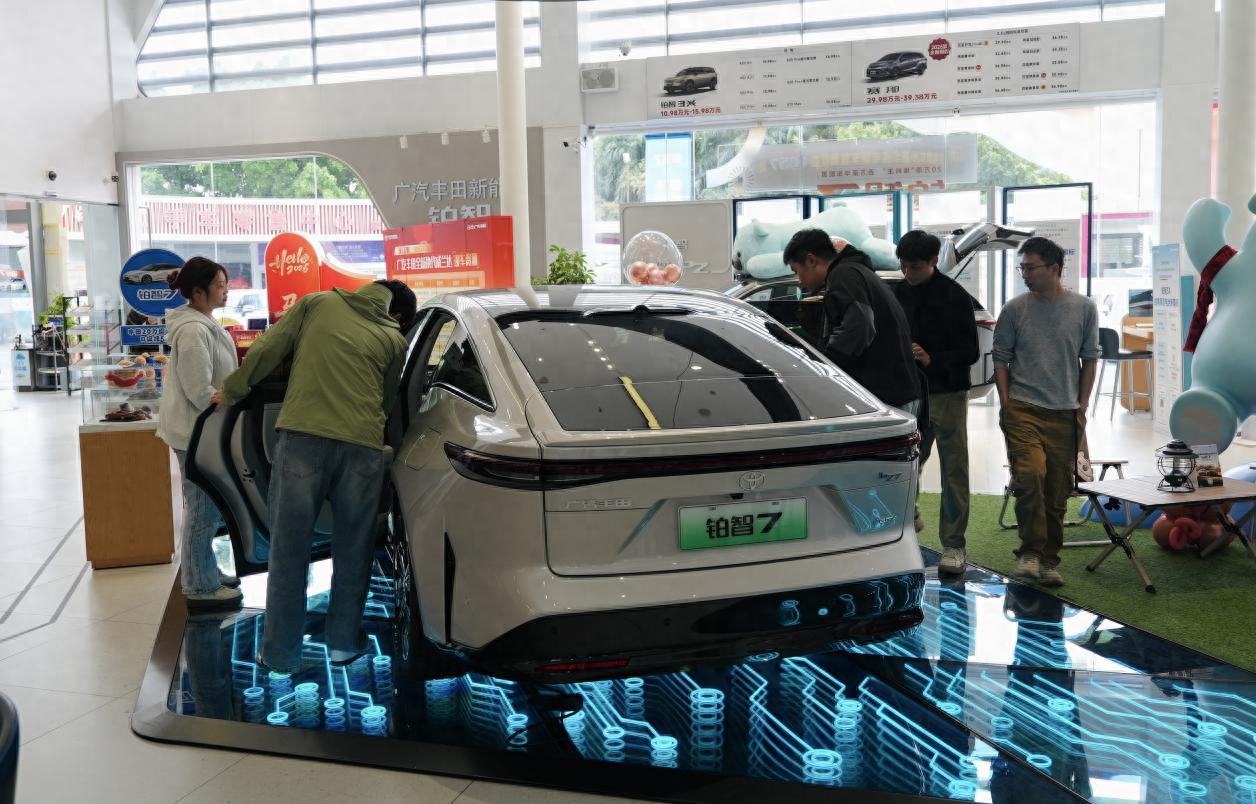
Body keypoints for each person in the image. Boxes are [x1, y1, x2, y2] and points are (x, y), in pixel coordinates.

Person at [216, 279, 417, 674]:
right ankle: (343, 645)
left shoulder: (318, 303)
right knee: (354, 549)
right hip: (362, 446)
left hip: (303, 438)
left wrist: (233, 390)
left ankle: (280, 655)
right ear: (396, 314)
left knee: (289, 550)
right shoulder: (395, 340)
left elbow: (268, 349)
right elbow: (386, 400)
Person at [992, 237, 1099, 587]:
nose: (1024, 274)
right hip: (1023, 408)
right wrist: (1006, 403)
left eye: (1030, 267)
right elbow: (1001, 358)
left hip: (1065, 411)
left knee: (1056, 491)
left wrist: (1082, 405)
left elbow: (1090, 359)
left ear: (1054, 268)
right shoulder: (1014, 309)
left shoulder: (1084, 308)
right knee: (1029, 475)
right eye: (1021, 267)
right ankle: (1030, 552)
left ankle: (1049, 559)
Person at [156, 257, 242, 610]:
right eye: (219, 285)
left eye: (225, 285)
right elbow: (199, 390)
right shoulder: (193, 330)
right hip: (195, 433)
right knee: (203, 508)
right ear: (197, 292)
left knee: (206, 507)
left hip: (201, 432)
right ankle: (199, 584)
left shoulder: (201, 322)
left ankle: (204, 570)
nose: (226, 291)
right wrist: (230, 395)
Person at [894, 230, 979, 576]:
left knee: (954, 469)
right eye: (903, 266)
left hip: (948, 393)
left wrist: (933, 358)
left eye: (914, 267)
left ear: (933, 261)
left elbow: (971, 351)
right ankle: (906, 524)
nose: (907, 273)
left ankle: (954, 544)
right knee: (907, 464)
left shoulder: (955, 296)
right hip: (911, 393)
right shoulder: (898, 293)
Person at [782, 228, 921, 414]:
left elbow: (860, 323)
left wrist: (826, 364)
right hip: (898, 391)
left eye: (796, 271)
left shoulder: (843, 275)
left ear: (811, 260)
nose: (799, 280)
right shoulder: (856, 271)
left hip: (887, 396)